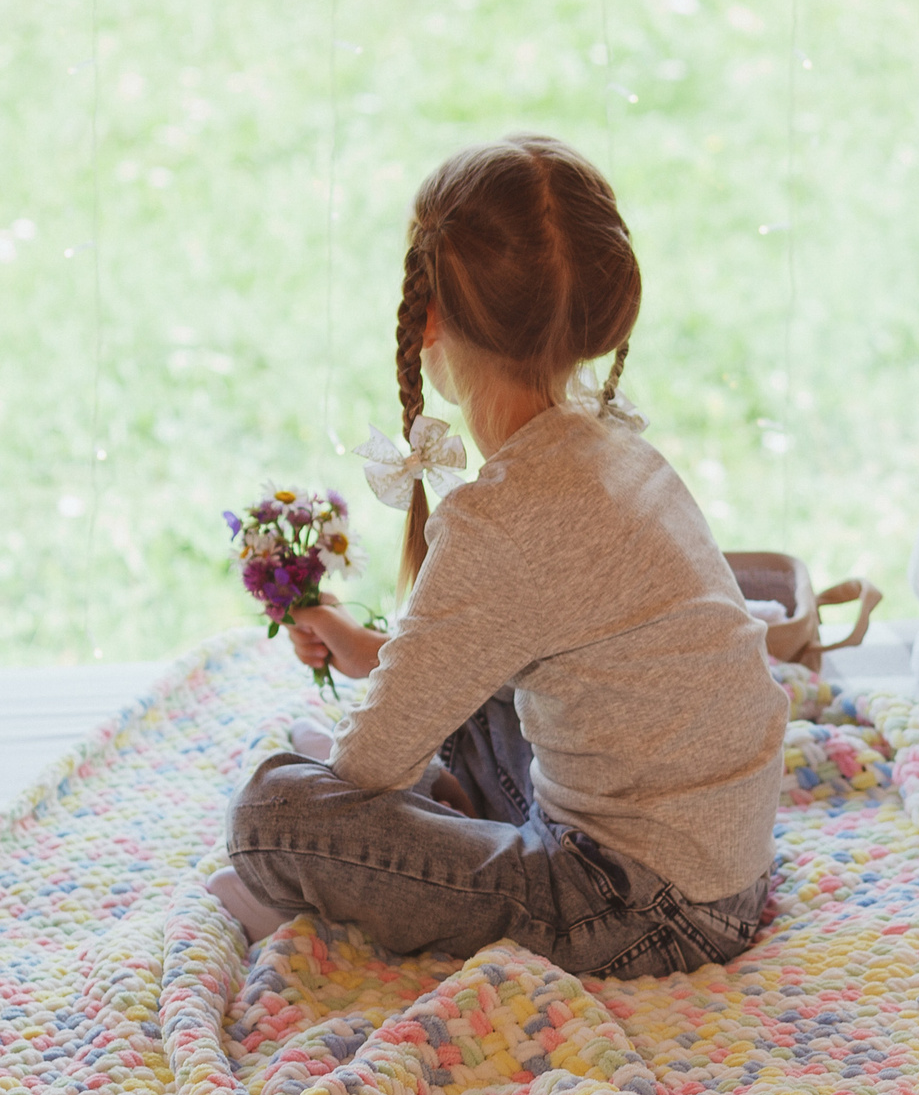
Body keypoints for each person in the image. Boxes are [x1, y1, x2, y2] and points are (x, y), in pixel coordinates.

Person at [204, 134, 786, 978]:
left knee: (270, 811)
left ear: (427, 313)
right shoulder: (616, 450)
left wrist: (333, 807)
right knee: (455, 697)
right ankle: (448, 807)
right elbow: (465, 658)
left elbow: (368, 762)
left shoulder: (505, 517)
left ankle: (331, 876)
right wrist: (357, 643)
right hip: (717, 857)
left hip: (645, 905)